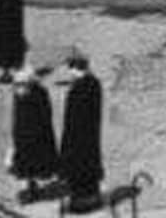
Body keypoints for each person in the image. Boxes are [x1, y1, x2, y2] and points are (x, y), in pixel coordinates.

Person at [56, 49, 105, 212]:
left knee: (79, 170)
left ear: (76, 68)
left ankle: (82, 202)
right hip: (90, 135)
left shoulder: (79, 88)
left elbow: (71, 118)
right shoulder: (94, 83)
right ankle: (91, 198)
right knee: (88, 167)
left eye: (71, 68)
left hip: (77, 137)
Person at [7, 66, 61, 203]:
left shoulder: (35, 93)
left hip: (33, 134)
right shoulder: (30, 93)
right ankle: (31, 188)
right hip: (26, 134)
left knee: (32, 164)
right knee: (28, 165)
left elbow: (45, 114)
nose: (20, 87)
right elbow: (18, 115)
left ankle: (32, 189)